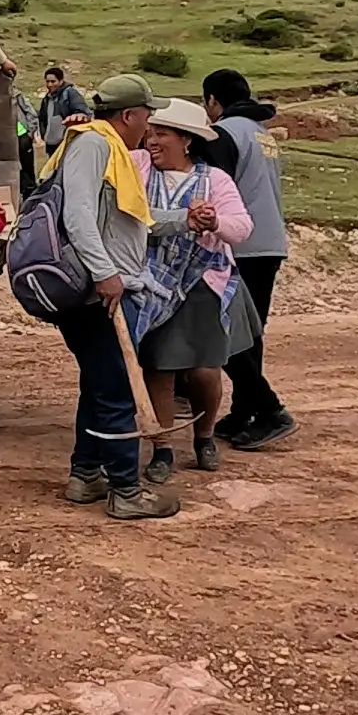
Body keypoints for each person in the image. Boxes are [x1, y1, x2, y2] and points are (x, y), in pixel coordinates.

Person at [42, 74, 180, 521]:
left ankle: (85, 474)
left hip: (98, 288)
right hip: (95, 291)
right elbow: (77, 212)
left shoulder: (108, 150)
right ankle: (125, 490)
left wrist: (184, 220)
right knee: (118, 385)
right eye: (147, 116)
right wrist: (105, 273)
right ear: (129, 116)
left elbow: (132, 217)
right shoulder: (95, 144)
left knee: (101, 382)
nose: (150, 125)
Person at [128, 99, 258, 483]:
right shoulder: (137, 167)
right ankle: (163, 448)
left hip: (203, 282)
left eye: (161, 134)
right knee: (159, 367)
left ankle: (204, 436)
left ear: (186, 141)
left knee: (204, 370)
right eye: (150, 132)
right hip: (152, 284)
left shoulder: (215, 180)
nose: (151, 141)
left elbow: (241, 227)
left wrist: (214, 220)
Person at [200, 68, 296, 450]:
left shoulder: (225, 134)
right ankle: (244, 413)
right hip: (270, 242)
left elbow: (216, 188)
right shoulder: (262, 134)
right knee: (251, 333)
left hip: (241, 246)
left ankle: (270, 410)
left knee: (225, 333)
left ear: (212, 101)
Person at [38, 68, 88, 154]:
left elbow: (80, 112)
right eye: (47, 81)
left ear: (61, 81)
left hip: (66, 142)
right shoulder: (47, 99)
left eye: (53, 81)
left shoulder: (70, 94)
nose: (50, 84)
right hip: (51, 143)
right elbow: (42, 119)